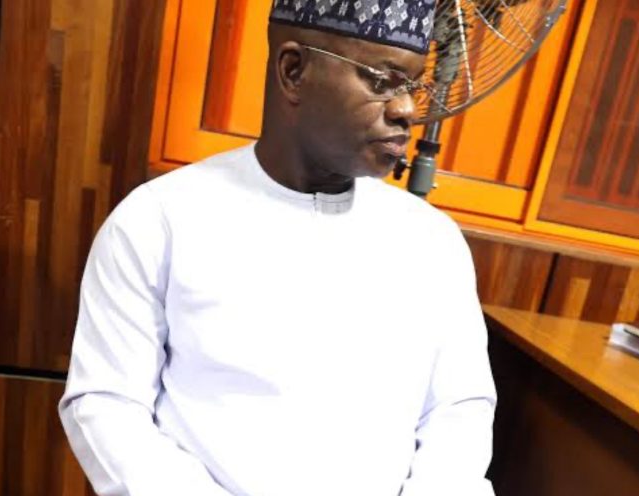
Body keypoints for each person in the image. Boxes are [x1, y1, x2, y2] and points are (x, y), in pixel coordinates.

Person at [59, 1, 497, 495]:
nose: (407, 110)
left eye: (413, 86)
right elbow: (108, 403)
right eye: (382, 81)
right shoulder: (159, 220)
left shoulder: (432, 243)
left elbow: (458, 410)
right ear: (293, 71)